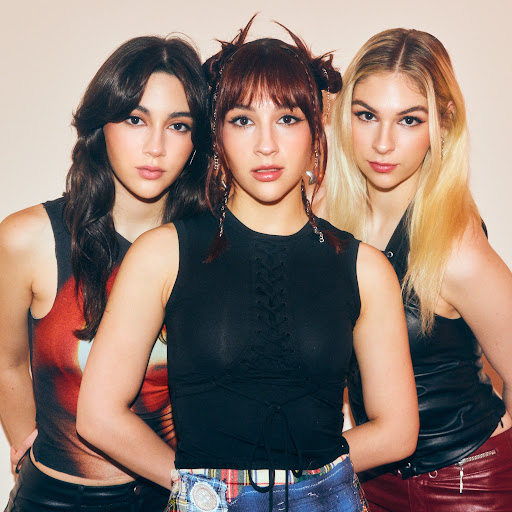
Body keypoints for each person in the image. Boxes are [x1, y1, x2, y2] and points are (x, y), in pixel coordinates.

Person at [77, 18, 418, 512]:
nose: (266, 145)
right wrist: (202, 487)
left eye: (287, 118)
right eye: (242, 120)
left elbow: (398, 430)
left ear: (315, 131)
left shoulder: (366, 268)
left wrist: (304, 480)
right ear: (217, 136)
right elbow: (98, 415)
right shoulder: (162, 254)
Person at [0, 35, 208, 511]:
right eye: (135, 119)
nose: (155, 146)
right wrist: (27, 446)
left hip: (173, 497)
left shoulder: (209, 249)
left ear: (196, 142)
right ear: (102, 125)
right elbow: (7, 361)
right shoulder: (28, 238)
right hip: (55, 500)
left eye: (178, 126)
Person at [326, 28, 512, 511]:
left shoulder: (456, 246)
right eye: (367, 115)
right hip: (368, 480)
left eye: (409, 120)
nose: (383, 143)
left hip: (468, 483)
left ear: (443, 124)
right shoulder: (327, 223)